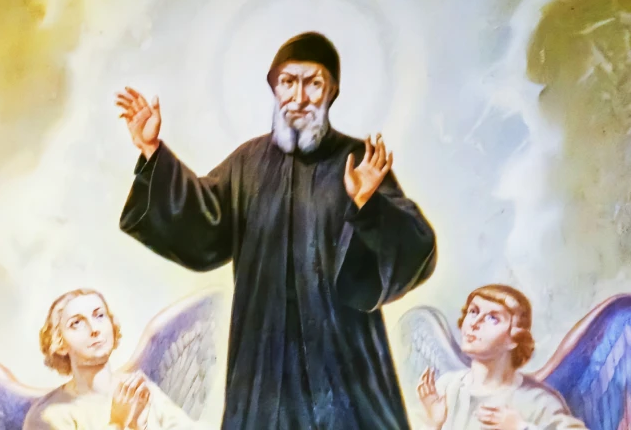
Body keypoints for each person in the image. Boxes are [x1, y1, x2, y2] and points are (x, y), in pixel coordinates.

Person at [116, 31, 438, 429]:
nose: (298, 97)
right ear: (275, 88)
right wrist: (153, 151)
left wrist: (368, 205)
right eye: (288, 82)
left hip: (341, 356)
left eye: (313, 83)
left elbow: (416, 246)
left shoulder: (358, 161)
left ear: (331, 92)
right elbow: (204, 224)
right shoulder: (247, 163)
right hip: (263, 360)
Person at [416, 284, 589, 430]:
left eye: (492, 318)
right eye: (473, 311)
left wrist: (520, 428)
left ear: (514, 339)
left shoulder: (540, 401)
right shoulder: (447, 388)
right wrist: (433, 424)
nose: (475, 323)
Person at [23, 288, 198, 430]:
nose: (94, 329)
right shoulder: (49, 414)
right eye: (77, 323)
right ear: (59, 343)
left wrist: (140, 427)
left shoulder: (137, 388)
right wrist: (118, 422)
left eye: (99, 315)